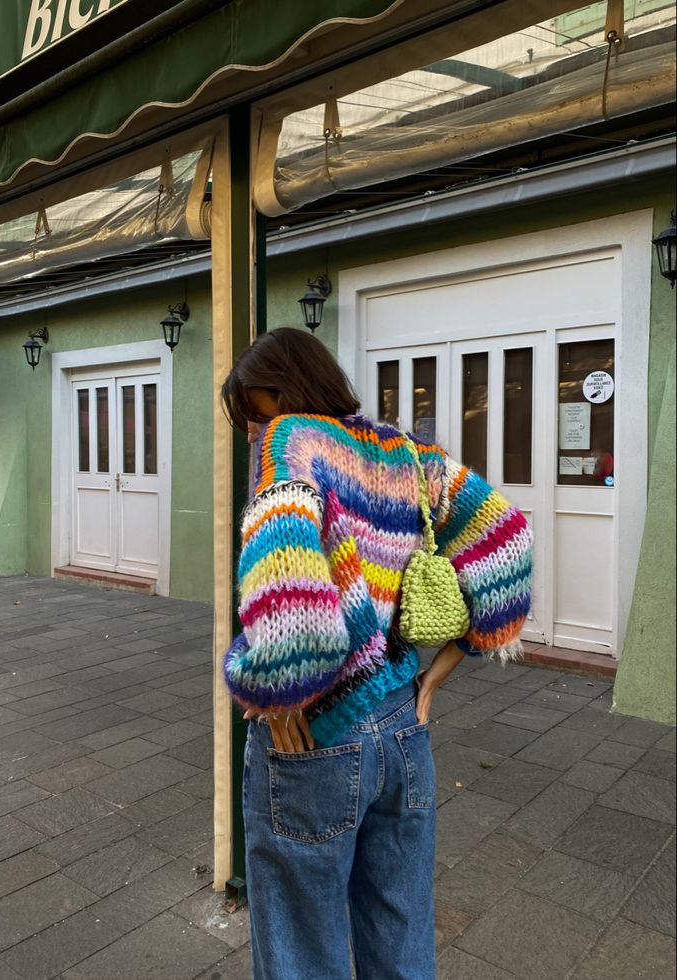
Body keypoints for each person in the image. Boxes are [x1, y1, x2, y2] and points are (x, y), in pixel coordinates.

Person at [221, 327, 532, 980]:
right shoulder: (406, 453)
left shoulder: (293, 439)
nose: (254, 435)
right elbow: (505, 539)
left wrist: (276, 694)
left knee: (303, 951)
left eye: (255, 414)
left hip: (317, 745)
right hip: (403, 732)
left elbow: (288, 601)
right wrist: (437, 676)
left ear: (288, 393)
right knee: (400, 935)